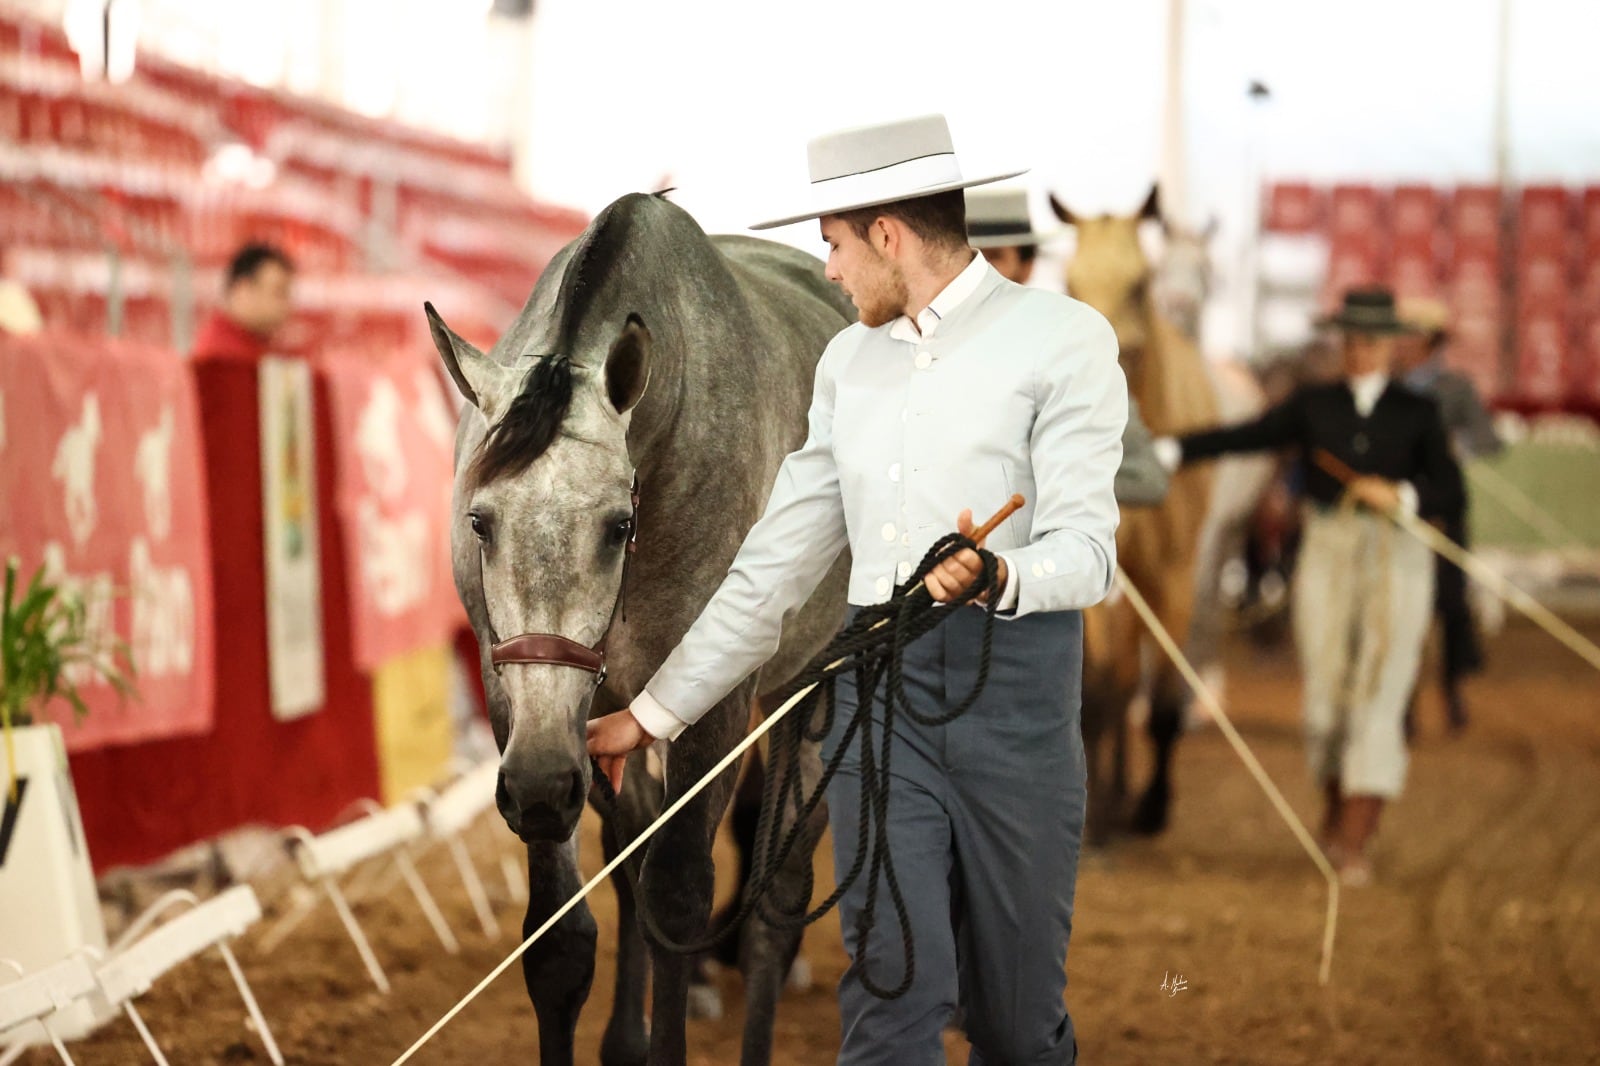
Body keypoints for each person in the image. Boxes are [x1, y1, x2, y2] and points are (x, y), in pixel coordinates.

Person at [588, 114, 1126, 1064]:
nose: (827, 271)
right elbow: (775, 564)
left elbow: (1090, 553)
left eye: (832, 244)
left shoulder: (1066, 340)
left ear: (888, 234)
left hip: (1019, 704)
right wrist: (656, 713)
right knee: (891, 990)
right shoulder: (846, 363)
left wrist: (1002, 574)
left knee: (1013, 1023)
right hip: (884, 705)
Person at [1152, 287, 1462, 886]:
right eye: (1350, 339)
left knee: (1381, 686)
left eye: (1369, 340)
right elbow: (1250, 435)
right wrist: (1172, 449)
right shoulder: (1315, 404)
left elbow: (1451, 490)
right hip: (1327, 549)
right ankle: (1335, 806)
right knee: (1325, 696)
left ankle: (1354, 836)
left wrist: (1401, 496)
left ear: (1389, 345)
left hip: (1396, 557)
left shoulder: (1418, 414)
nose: (1358, 350)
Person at [965, 186, 1168, 507]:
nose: (979, 272)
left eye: (995, 257)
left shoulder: (1074, 363)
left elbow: (1148, 479)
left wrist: (1039, 479)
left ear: (1027, 265)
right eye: (968, 259)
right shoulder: (916, 353)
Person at [1395, 297, 1503, 732]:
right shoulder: (1393, 387)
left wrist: (1460, 446)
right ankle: (1402, 698)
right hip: (1400, 508)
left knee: (1451, 602)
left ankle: (1452, 687)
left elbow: (1488, 438)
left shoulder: (1455, 387)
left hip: (1444, 507)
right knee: (1400, 606)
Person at [190, 242, 295, 362]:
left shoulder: (256, 345)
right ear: (243, 290)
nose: (287, 305)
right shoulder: (222, 356)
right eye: (279, 292)